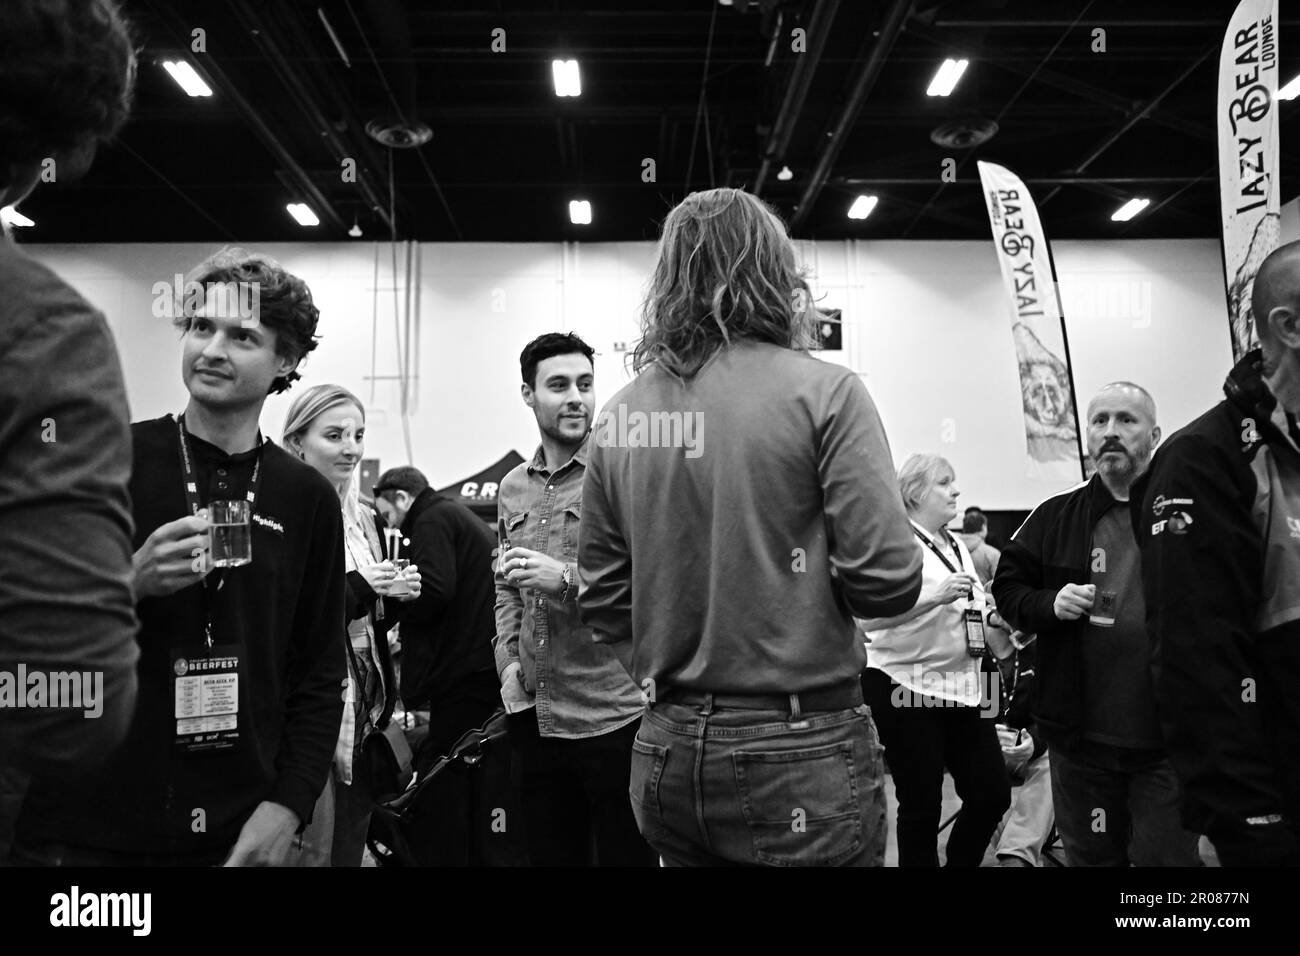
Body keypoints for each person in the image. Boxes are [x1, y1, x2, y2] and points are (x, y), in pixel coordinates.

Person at [578, 187, 923, 867]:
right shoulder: (827, 392)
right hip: (799, 748)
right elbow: (886, 583)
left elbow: (601, 596)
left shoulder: (621, 413)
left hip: (666, 746)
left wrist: (672, 672)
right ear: (776, 272)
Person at [11, 248, 347, 867]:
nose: (212, 349)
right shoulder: (109, 459)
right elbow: (24, 629)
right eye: (200, 327)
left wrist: (290, 805)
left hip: (238, 830)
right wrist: (129, 583)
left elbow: (320, 674)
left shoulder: (307, 498)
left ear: (286, 361)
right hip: (87, 822)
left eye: (242, 336)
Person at [1135, 241, 1300, 867]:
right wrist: (1246, 820)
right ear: (1290, 326)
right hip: (1272, 811)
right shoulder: (1206, 458)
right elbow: (1196, 659)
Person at [993, 382, 1202, 866]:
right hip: (1079, 743)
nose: (1111, 431)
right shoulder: (1054, 516)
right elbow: (1008, 587)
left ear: (1154, 434)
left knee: (1166, 866)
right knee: (1090, 859)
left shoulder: (1190, 516)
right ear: (1086, 434)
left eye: (1126, 421)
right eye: (1100, 420)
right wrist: (1049, 603)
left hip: (1167, 743)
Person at [495, 332, 655, 866]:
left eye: (585, 385)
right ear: (527, 394)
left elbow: (651, 582)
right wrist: (508, 665)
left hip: (613, 716)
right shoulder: (513, 487)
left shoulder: (621, 473)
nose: (576, 399)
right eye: (559, 385)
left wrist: (565, 577)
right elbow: (505, 585)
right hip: (534, 716)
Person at [282, 385, 423, 866]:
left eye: (358, 434)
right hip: (309, 709)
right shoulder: (283, 513)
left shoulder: (362, 518)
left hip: (366, 708)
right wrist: (363, 586)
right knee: (308, 847)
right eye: (335, 434)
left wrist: (394, 597)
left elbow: (369, 616)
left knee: (349, 840)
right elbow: (291, 615)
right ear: (298, 441)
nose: (351, 447)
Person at [860, 454, 1011, 867]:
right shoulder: (890, 543)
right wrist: (934, 597)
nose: (956, 490)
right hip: (904, 685)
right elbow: (865, 620)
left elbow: (972, 606)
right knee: (922, 804)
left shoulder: (956, 542)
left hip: (964, 686)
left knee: (992, 794)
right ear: (913, 492)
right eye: (945, 482)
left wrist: (1001, 619)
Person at [373, 466, 499, 769]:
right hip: (481, 658)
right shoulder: (450, 513)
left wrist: (396, 607)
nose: (392, 525)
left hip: (463, 668)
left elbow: (434, 589)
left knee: (448, 764)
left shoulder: (431, 519)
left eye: (388, 515)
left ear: (402, 498)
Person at [986, 629, 1054, 867]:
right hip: (979, 748)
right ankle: (1014, 848)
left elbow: (1054, 714)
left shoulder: (1042, 650)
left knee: (1054, 762)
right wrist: (982, 734)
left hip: (1027, 749)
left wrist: (1033, 744)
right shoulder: (965, 648)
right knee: (975, 767)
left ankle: (1016, 854)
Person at [955, 507, 1001, 586]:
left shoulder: (950, 549)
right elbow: (1000, 585)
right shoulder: (993, 554)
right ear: (983, 527)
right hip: (984, 597)